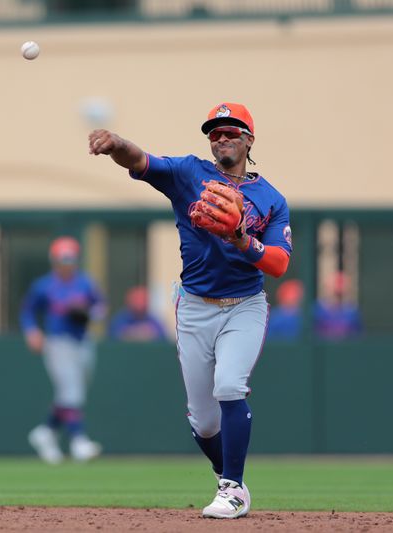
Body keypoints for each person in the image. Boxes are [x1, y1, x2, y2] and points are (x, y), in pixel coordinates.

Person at [88, 102, 291, 519]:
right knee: (203, 423)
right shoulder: (189, 174)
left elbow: (279, 263)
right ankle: (227, 477)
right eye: (214, 133)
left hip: (245, 305)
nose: (221, 138)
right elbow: (142, 161)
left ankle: (233, 489)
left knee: (230, 386)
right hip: (195, 305)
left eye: (230, 131)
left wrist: (241, 238)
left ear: (249, 139)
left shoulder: (271, 198)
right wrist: (116, 145)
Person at [20, 236, 107, 464]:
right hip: (58, 342)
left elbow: (100, 306)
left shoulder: (85, 283)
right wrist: (32, 331)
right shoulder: (44, 285)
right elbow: (28, 311)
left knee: (71, 392)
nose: (66, 264)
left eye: (70, 260)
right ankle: (79, 441)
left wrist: (89, 312)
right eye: (62, 260)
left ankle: (45, 432)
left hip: (82, 340)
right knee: (71, 390)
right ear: (54, 261)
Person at [314, 271, 362, 339]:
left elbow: (356, 337)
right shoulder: (315, 311)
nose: (337, 292)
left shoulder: (352, 313)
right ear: (326, 287)